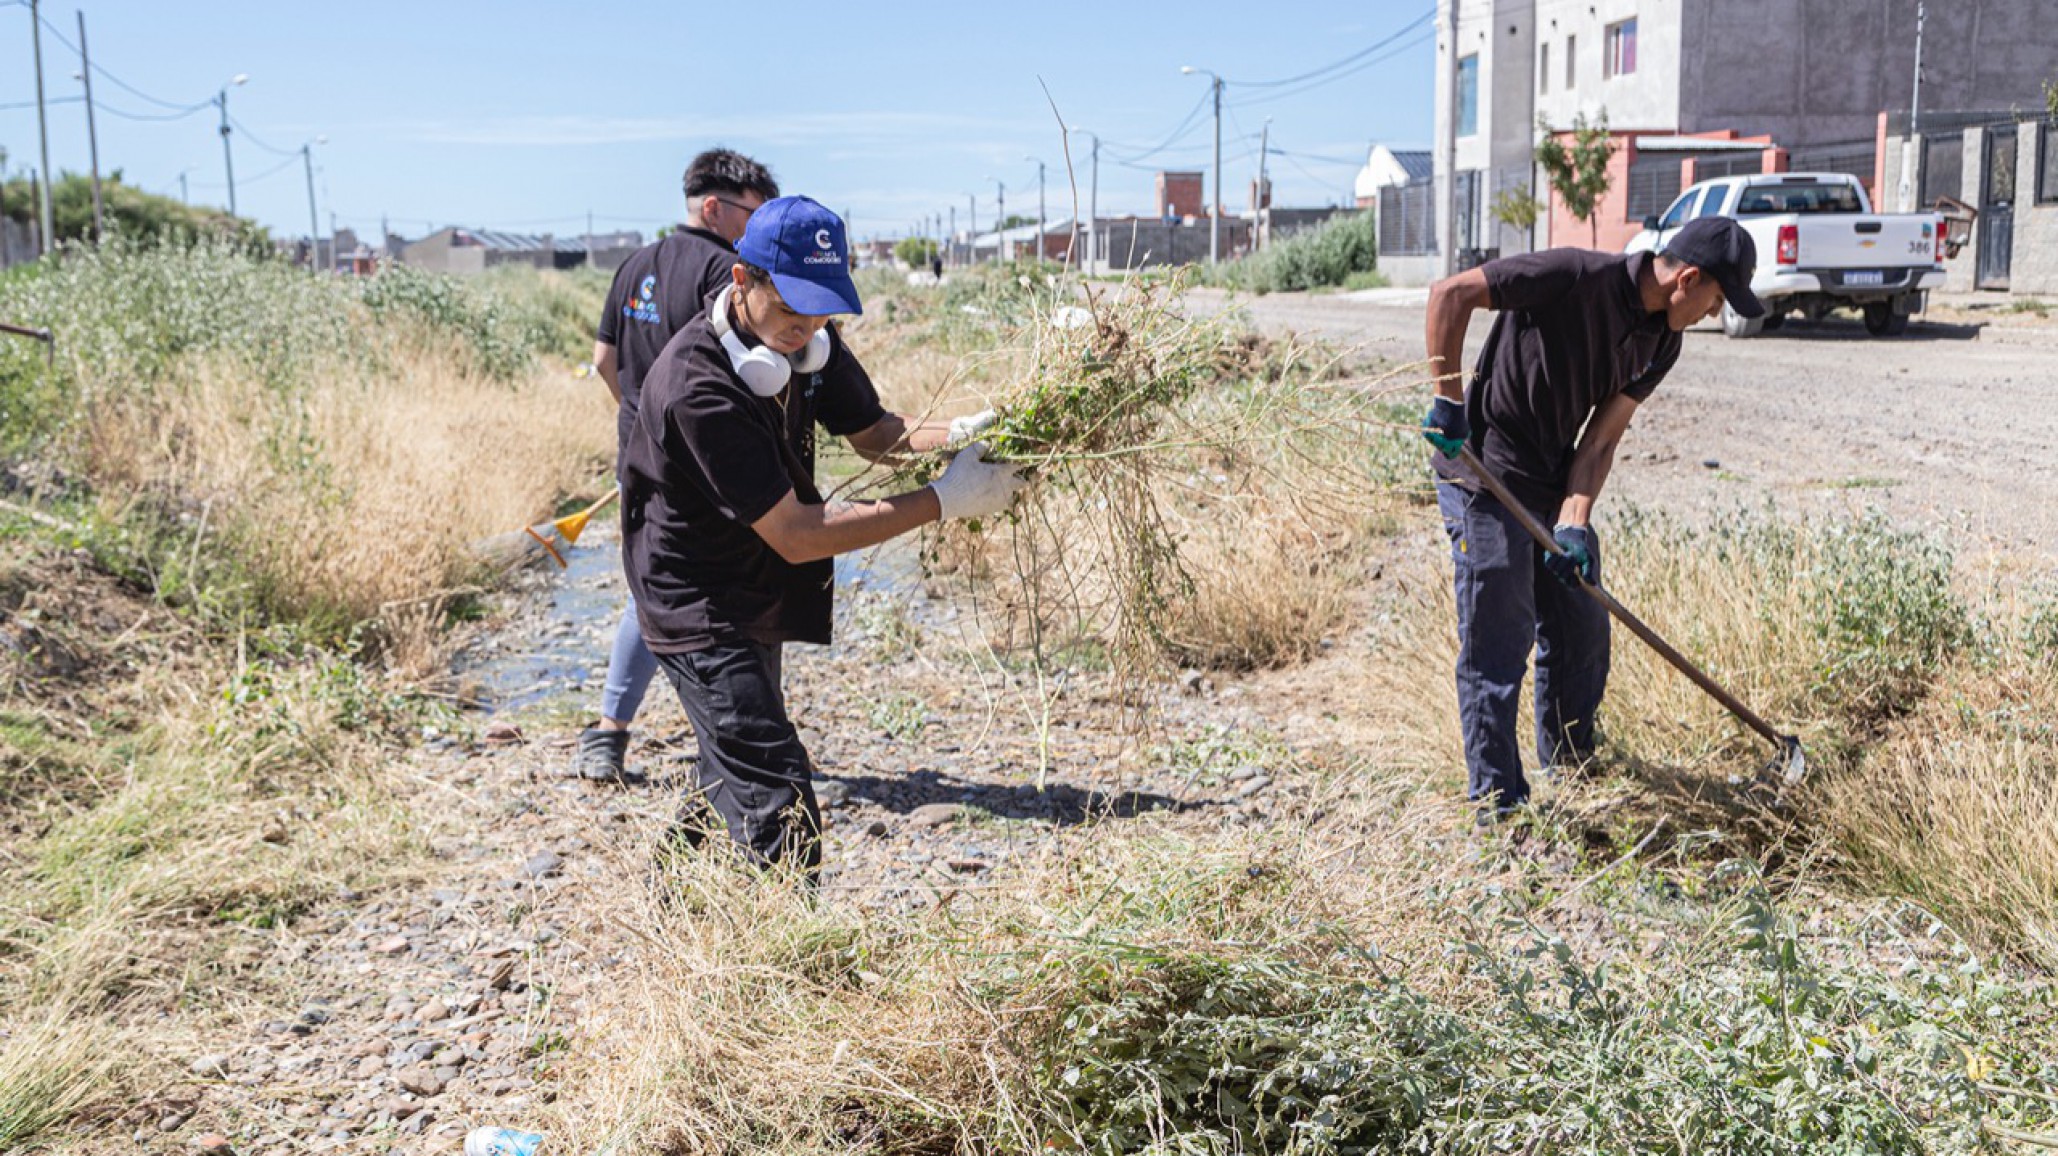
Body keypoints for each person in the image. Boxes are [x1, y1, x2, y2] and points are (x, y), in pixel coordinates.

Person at [620, 195, 1017, 875]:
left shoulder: (810, 345)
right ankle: (789, 962)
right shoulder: (697, 387)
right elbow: (799, 536)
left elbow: (879, 436)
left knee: (731, 766)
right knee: (777, 788)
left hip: (753, 583)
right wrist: (943, 501)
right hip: (693, 599)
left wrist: (963, 435)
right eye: (791, 310)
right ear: (742, 281)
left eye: (822, 309)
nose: (806, 328)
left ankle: (673, 905)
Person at [1419, 216, 1762, 821]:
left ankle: (1571, 771)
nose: (1714, 314)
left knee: (1583, 627)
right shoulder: (1575, 275)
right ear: (1688, 278)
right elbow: (1452, 293)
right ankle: (1498, 807)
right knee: (1501, 638)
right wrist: (1448, 400)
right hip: (1485, 472)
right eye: (1715, 299)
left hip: (1551, 485)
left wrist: (1574, 522)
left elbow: (1600, 441)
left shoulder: (1662, 341)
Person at [575, 149, 780, 784]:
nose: (760, 228)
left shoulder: (634, 265)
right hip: (705, 469)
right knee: (714, 598)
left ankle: (610, 732)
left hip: (637, 459)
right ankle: (738, 749)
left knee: (650, 589)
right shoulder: (730, 273)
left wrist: (641, 429)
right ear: (714, 207)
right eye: (755, 213)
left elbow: (604, 361)